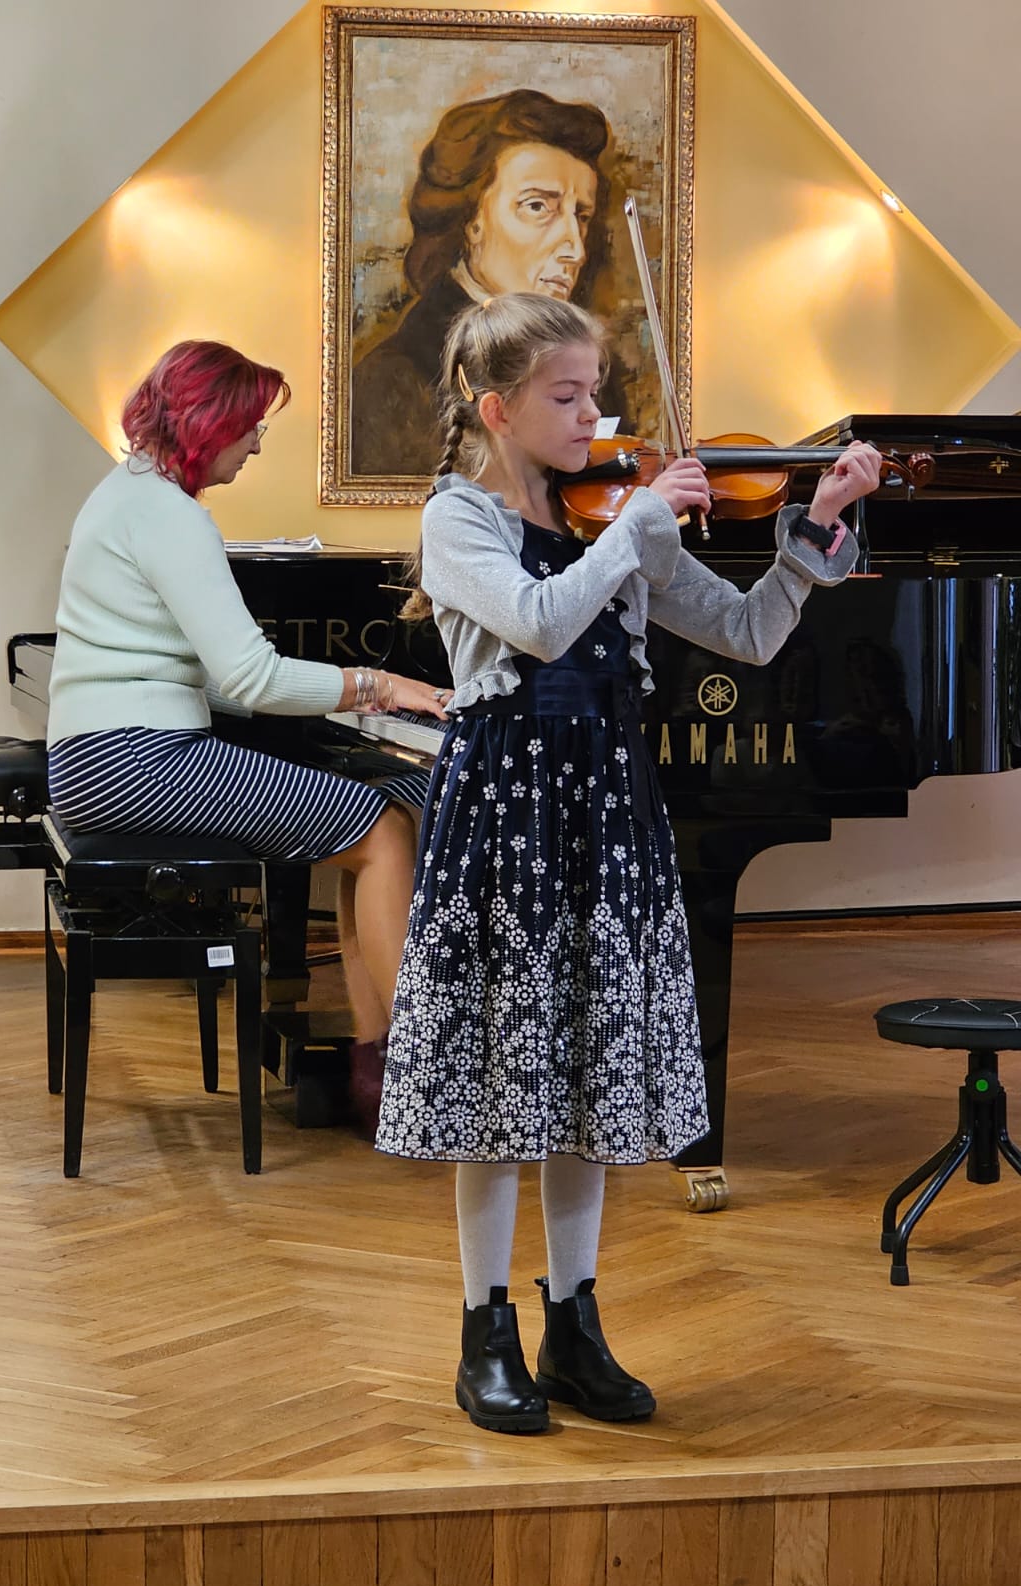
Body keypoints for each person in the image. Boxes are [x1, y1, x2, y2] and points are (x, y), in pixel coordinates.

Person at [374, 292, 882, 1434]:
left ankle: (576, 1328)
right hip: (507, 818)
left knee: (588, 1069)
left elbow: (748, 632)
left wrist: (814, 526)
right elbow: (540, 621)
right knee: (503, 1083)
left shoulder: (614, 514)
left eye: (594, 392)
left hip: (607, 811)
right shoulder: (458, 519)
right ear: (497, 409)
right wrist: (638, 528)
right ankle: (484, 1335)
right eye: (567, 396)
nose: (592, 415)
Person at [45, 340, 450, 1100]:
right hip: (136, 762)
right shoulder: (170, 516)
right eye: (253, 426)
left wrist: (340, 699)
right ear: (210, 422)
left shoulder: (126, 493)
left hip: (97, 759)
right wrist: (378, 685)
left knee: (361, 829)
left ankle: (376, 1069)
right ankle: (426, 1078)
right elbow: (251, 676)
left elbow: (200, 676)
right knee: (385, 832)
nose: (258, 444)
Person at [351, 88, 633, 477]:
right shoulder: (395, 375)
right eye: (538, 206)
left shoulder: (593, 369)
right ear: (471, 222)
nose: (575, 250)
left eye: (581, 216)